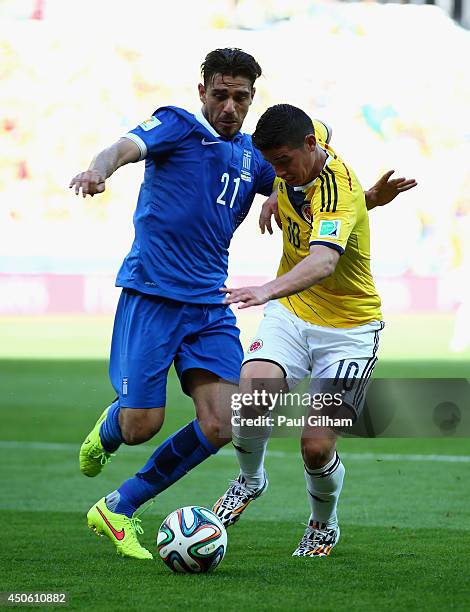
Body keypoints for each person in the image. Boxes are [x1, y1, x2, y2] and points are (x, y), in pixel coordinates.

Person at [70, 48, 414, 561]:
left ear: (253, 99)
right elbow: (122, 147)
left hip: (211, 305)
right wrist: (97, 171)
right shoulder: (176, 125)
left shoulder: (258, 156)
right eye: (220, 94)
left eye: (241, 97)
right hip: (155, 294)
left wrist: (350, 197)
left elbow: (314, 186)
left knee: (225, 420)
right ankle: (113, 427)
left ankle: (119, 508)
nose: (230, 106)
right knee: (142, 425)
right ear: (202, 91)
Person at [213, 104, 417, 558]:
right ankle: (249, 480)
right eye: (272, 165)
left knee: (315, 445)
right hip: (294, 311)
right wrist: (276, 194)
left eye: (284, 163)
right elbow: (307, 159)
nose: (278, 173)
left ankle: (323, 525)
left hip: (348, 328)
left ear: (310, 147)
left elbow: (324, 261)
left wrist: (266, 289)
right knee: (254, 390)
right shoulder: (310, 138)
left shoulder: (339, 191)